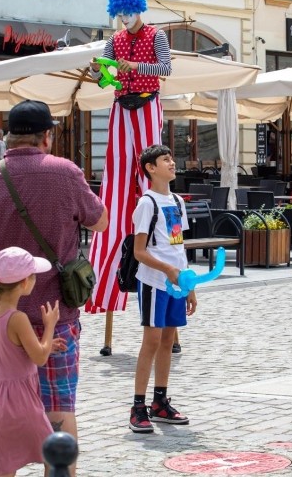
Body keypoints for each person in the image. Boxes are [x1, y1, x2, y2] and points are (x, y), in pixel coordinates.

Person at [0, 99, 107, 477]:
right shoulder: (66, 173)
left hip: (2, 318)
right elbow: (101, 222)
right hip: (56, 314)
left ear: (6, 138)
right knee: (58, 408)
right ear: (46, 137)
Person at [86, 0, 172, 319]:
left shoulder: (156, 35)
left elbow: (165, 69)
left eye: (129, 13)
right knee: (118, 169)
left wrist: (135, 67)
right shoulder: (114, 39)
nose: (125, 19)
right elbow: (105, 81)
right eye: (121, 14)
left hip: (148, 103)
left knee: (149, 163)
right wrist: (98, 69)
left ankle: (155, 212)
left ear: (139, 10)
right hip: (121, 104)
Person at [0, 247, 69, 477]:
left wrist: (46, 345)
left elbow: (13, 351)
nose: (35, 280)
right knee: (53, 453)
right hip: (21, 399)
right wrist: (50, 325)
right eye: (33, 276)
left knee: (3, 463)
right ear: (23, 283)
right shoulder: (18, 318)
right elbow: (39, 358)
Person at [129, 145, 196, 433]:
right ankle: (138, 405)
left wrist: (188, 283)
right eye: (165, 159)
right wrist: (168, 271)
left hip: (175, 284)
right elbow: (139, 252)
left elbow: (177, 246)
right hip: (155, 283)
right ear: (150, 168)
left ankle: (160, 401)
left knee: (169, 341)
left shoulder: (177, 201)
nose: (172, 162)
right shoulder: (147, 203)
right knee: (152, 341)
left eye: (172, 157)